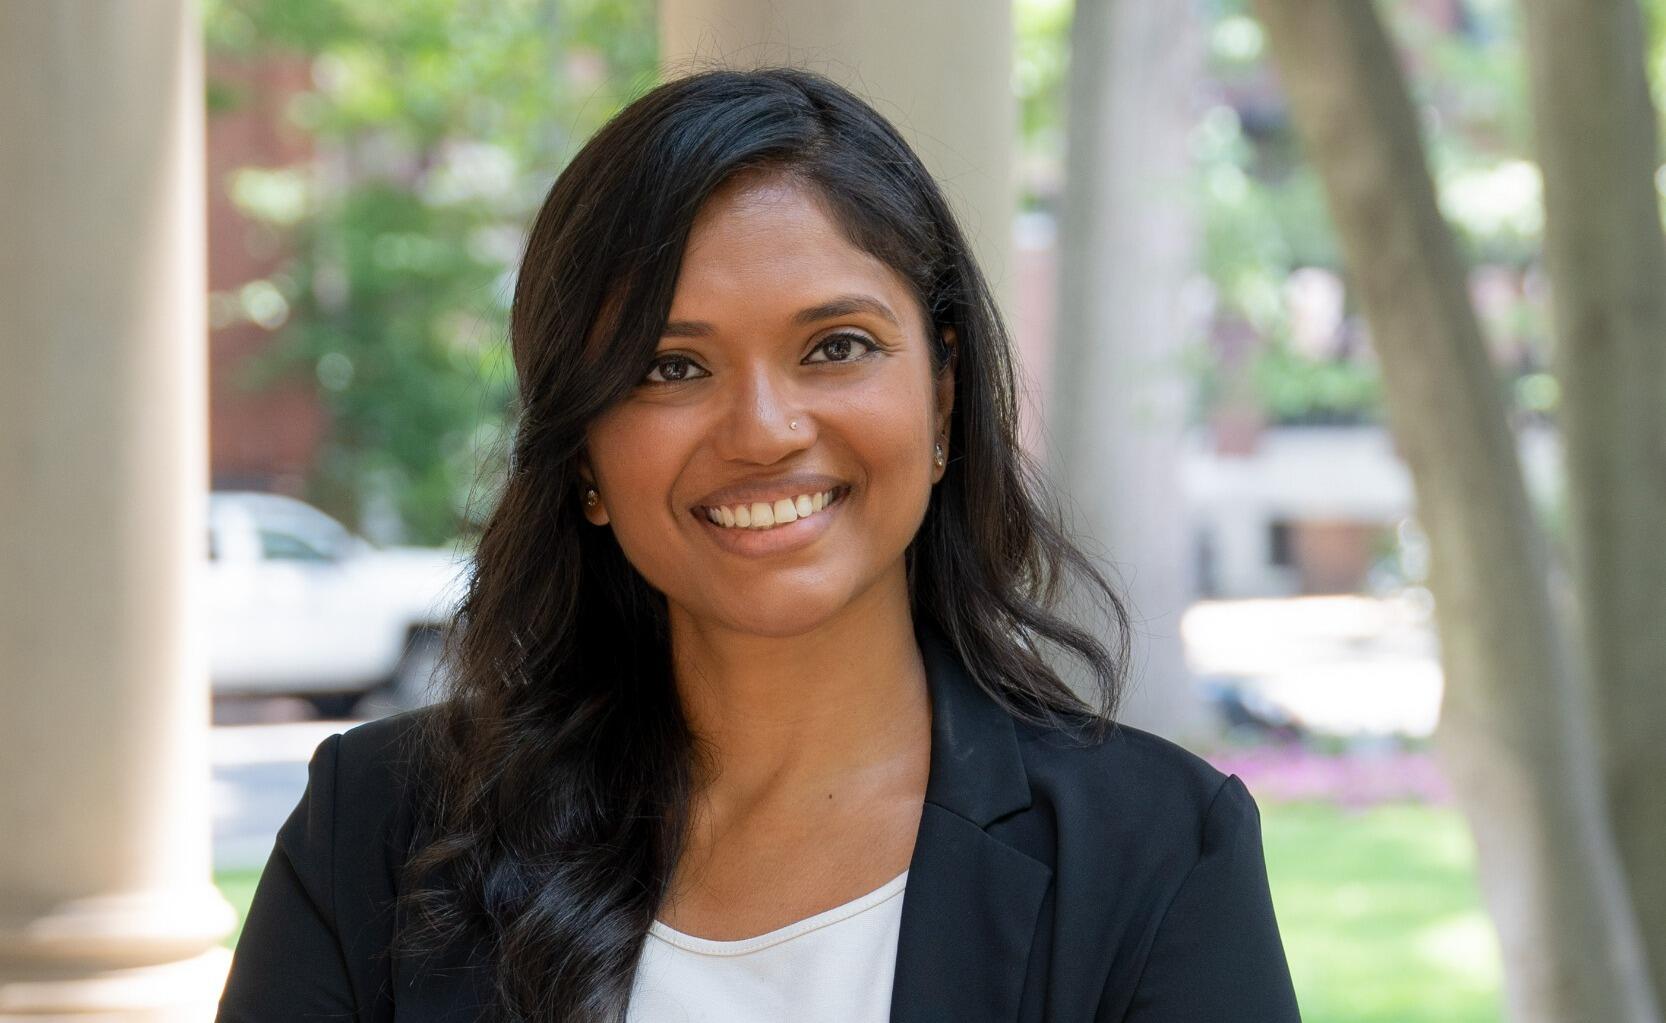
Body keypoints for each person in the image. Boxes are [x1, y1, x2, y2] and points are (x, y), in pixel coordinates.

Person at [216, 66, 1301, 1023]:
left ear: (944, 392)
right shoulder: (374, 831)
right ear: (582, 452)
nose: (763, 431)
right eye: (670, 367)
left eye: (835, 346)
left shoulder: (1157, 855)